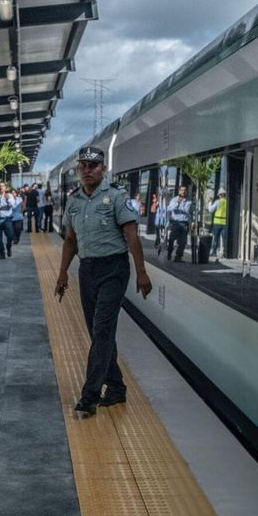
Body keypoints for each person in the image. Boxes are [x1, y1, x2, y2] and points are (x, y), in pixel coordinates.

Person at [55, 146, 153, 418]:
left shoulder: (117, 197)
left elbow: (132, 236)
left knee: (102, 331)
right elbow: (71, 240)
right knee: (99, 333)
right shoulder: (74, 201)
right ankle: (117, 387)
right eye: (82, 166)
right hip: (87, 270)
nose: (86, 170)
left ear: (103, 169)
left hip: (114, 269)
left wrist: (141, 272)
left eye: (92, 166)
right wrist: (63, 273)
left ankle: (89, 396)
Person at [166, 186, 192, 262]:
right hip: (176, 223)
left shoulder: (189, 201)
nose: (183, 192)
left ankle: (178, 257)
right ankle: (169, 252)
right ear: (179, 191)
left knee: (183, 242)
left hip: (184, 223)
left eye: (185, 190)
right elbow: (169, 208)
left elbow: (188, 211)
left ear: (186, 192)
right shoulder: (174, 200)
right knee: (171, 239)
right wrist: (178, 203)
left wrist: (192, 222)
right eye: (182, 190)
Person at [208, 189, 227, 258]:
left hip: (217, 222)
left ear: (220, 195)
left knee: (215, 238)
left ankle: (214, 252)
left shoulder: (218, 202)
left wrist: (210, 202)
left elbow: (210, 210)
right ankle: (223, 253)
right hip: (225, 223)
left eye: (219, 195)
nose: (218, 196)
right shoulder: (227, 202)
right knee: (223, 239)